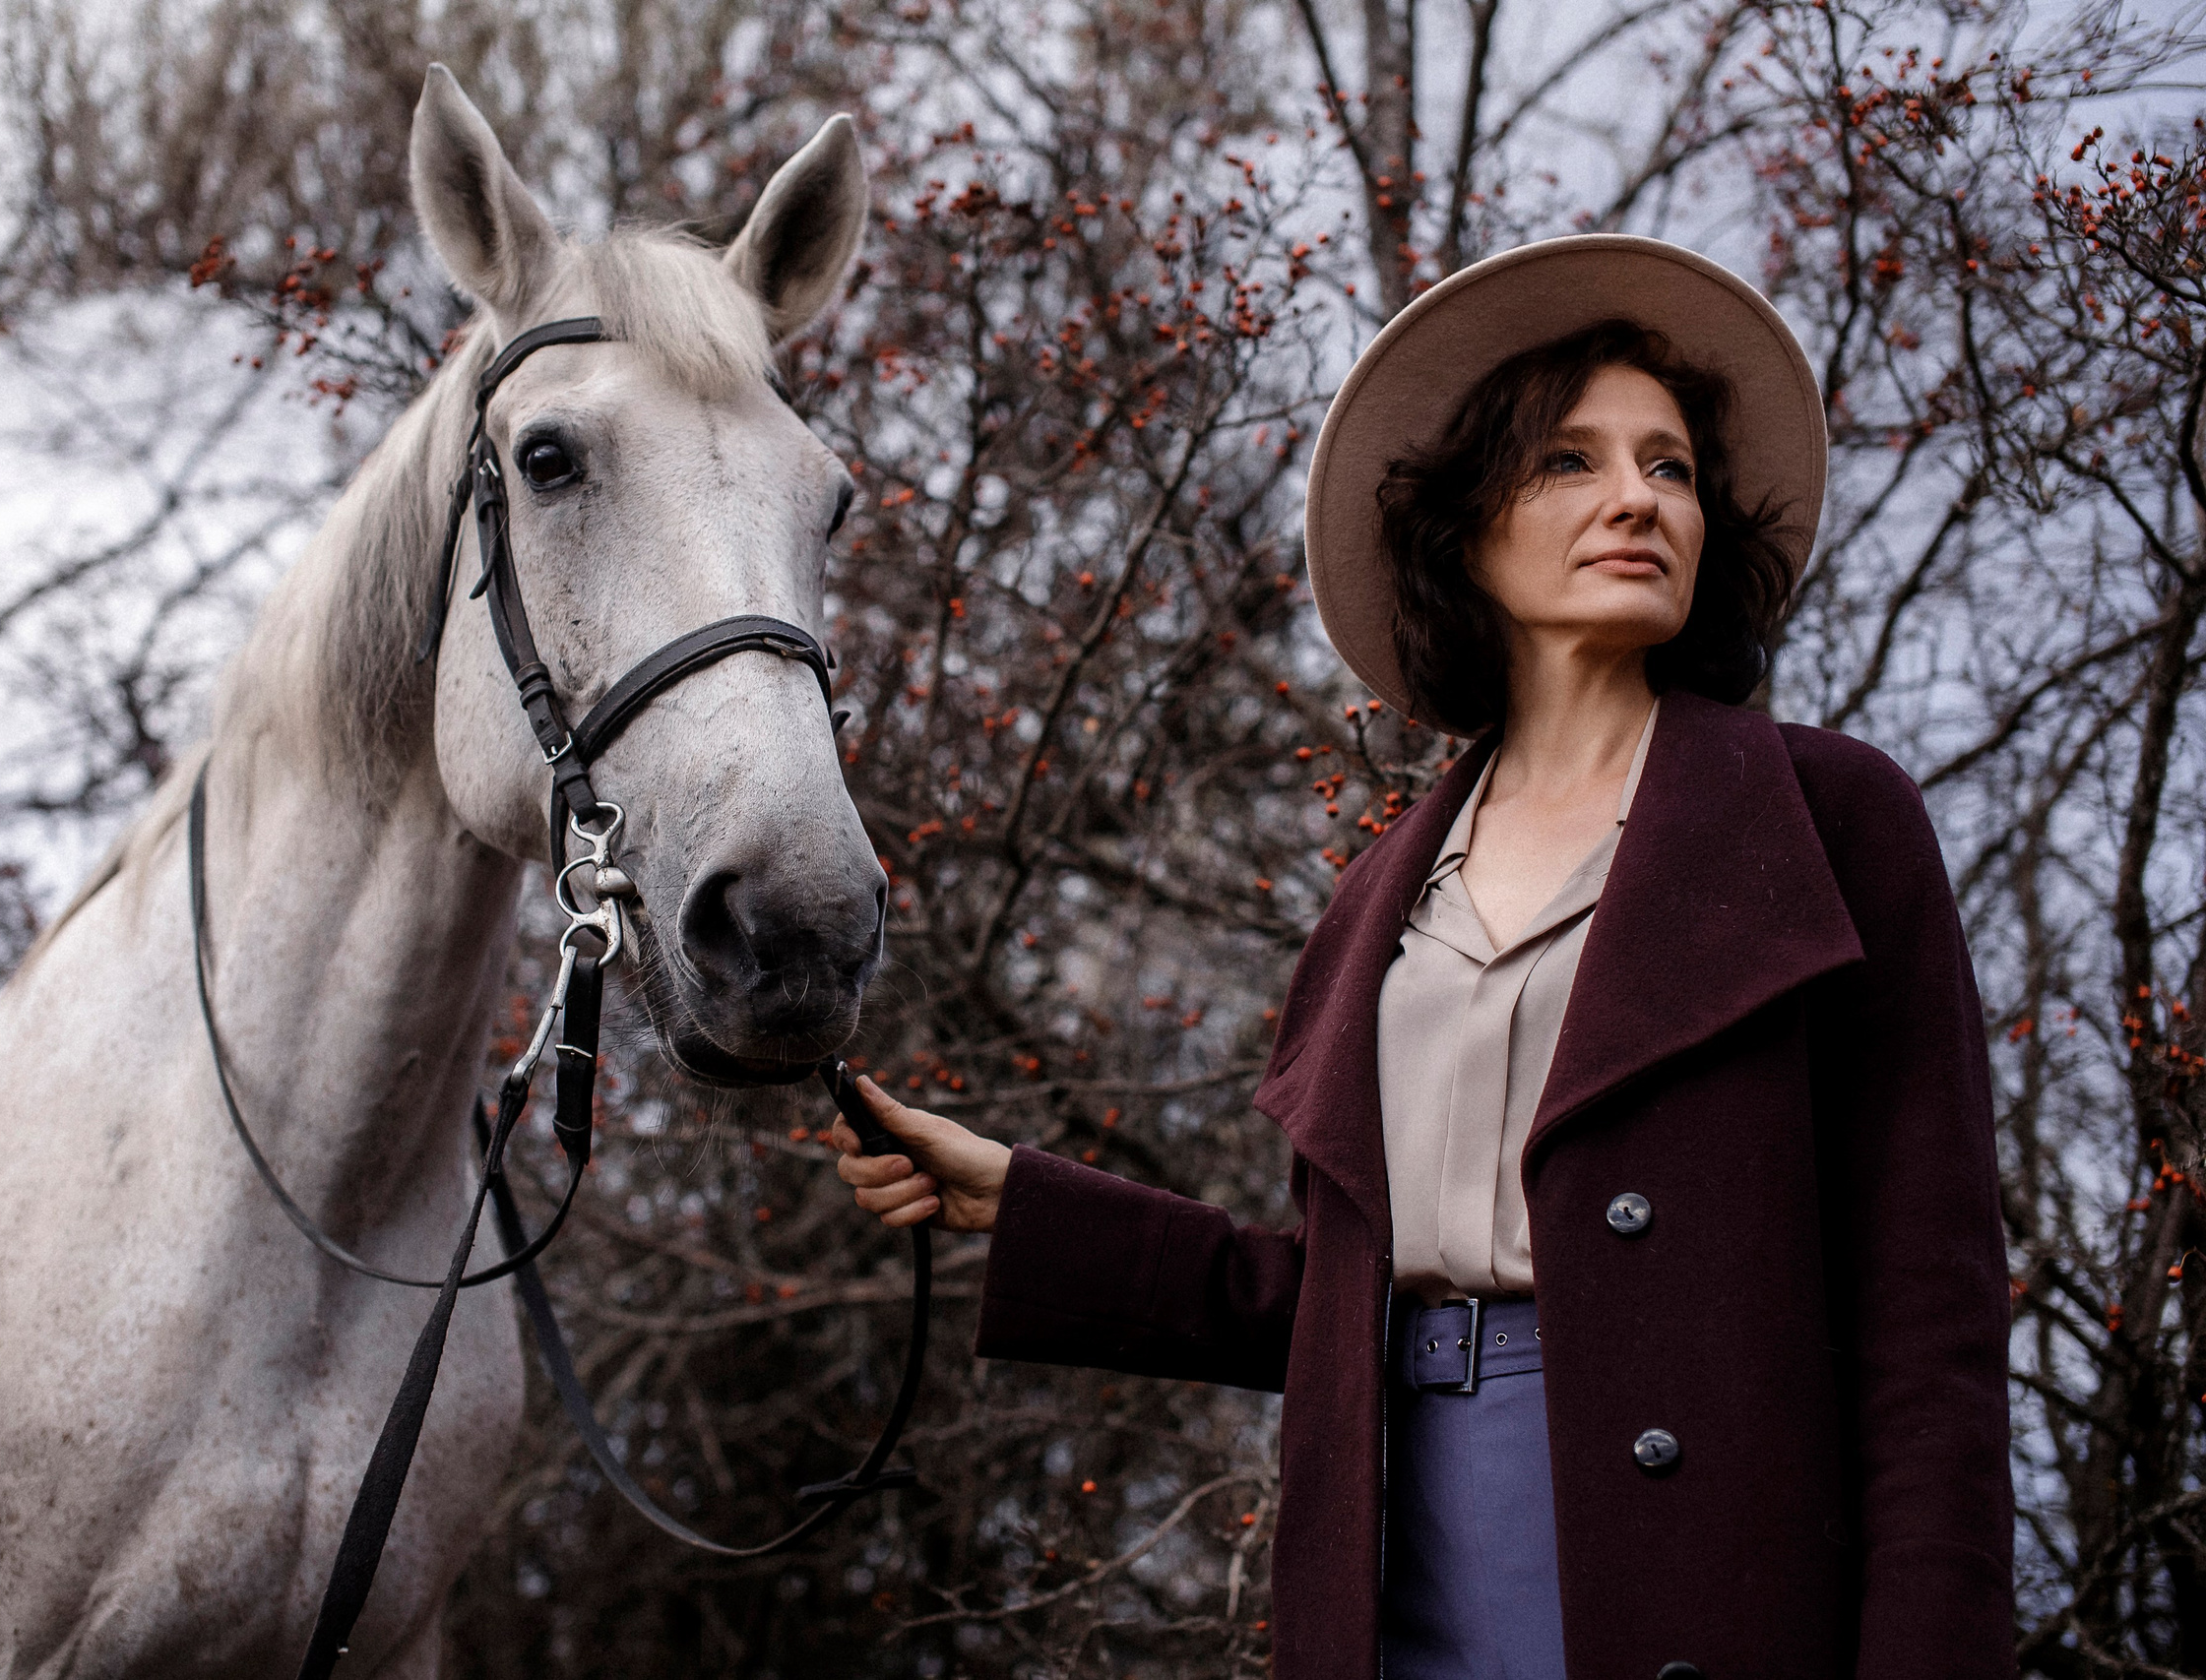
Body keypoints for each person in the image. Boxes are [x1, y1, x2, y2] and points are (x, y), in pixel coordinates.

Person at [828, 235, 2014, 1680]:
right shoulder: (1380, 895)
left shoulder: (1832, 823)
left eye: (1675, 468)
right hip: (1391, 1556)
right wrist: (1021, 1201)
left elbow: (1927, 1327)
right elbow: (1324, 1302)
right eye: (1573, 462)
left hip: (1708, 1560)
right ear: (1466, 529)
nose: (1639, 497)